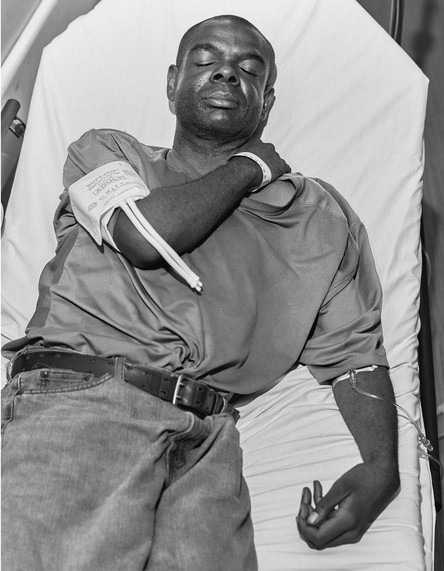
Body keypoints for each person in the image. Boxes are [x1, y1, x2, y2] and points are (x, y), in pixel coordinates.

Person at [1, 14, 399, 570]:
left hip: (209, 442)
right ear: (171, 84)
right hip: (83, 403)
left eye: (248, 69)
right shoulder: (108, 154)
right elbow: (144, 239)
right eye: (207, 61)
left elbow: (356, 355)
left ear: (268, 100)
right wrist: (248, 168)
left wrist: (381, 466)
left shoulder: (320, 217)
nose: (227, 74)